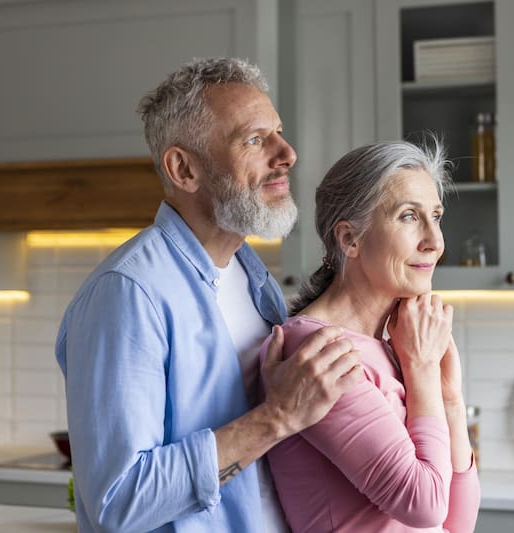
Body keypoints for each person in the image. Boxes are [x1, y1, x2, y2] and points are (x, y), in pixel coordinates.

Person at [54, 57, 363, 532]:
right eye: (254, 140)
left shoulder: (254, 278)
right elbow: (119, 502)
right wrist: (277, 417)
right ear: (184, 169)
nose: (287, 154)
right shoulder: (128, 293)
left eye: (278, 133)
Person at [260, 140, 481, 532]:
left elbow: (458, 521)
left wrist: (449, 399)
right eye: (409, 216)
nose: (435, 241)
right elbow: (425, 505)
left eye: (436, 216)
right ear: (350, 239)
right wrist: (422, 369)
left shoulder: (394, 346)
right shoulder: (318, 352)